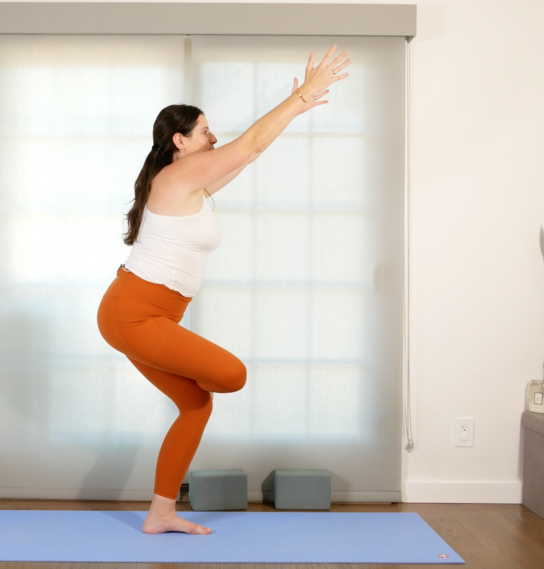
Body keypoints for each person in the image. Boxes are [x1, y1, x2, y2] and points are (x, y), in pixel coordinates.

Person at [97, 45, 351, 535]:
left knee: (196, 403)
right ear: (181, 142)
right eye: (205, 132)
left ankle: (161, 513)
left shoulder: (190, 183)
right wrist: (301, 96)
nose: (214, 138)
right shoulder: (180, 174)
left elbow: (251, 154)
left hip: (140, 313)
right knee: (230, 375)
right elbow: (249, 145)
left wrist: (293, 112)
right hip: (135, 313)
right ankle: (163, 510)